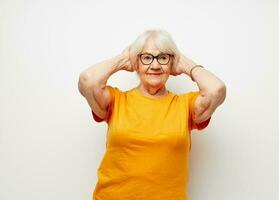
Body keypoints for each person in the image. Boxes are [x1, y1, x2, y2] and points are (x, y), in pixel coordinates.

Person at [78, 29, 226, 200]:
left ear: (172, 63)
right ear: (136, 63)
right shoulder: (116, 100)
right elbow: (87, 80)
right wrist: (121, 60)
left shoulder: (185, 106)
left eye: (163, 58)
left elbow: (217, 90)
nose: (155, 65)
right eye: (146, 57)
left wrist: (187, 65)